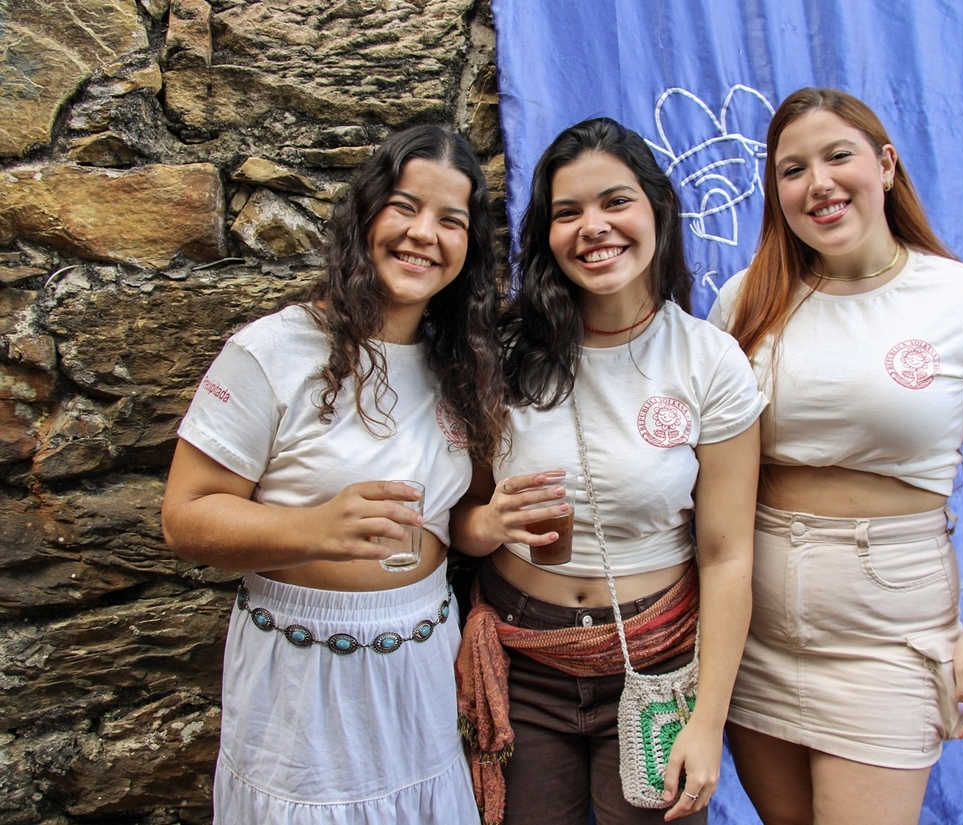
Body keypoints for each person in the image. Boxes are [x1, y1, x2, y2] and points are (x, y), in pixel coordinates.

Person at [708, 88, 963, 825]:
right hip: (754, 625)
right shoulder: (744, 301)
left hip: (888, 632)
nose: (818, 183)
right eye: (792, 169)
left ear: (885, 165)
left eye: (838, 156)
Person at [160, 124, 505, 824]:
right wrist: (314, 529)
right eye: (405, 206)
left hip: (421, 674)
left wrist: (492, 523)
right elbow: (185, 516)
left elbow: (461, 510)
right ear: (366, 214)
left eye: (451, 220)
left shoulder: (460, 364)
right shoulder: (272, 351)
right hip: (300, 686)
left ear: (469, 247)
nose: (424, 234)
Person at [452, 117, 765, 825]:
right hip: (523, 662)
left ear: (658, 209)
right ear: (546, 233)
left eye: (615, 202)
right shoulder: (502, 352)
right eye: (568, 212)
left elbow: (727, 555)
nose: (593, 227)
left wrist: (708, 720)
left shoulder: (708, 360)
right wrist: (490, 524)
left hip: (658, 663)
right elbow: (461, 523)